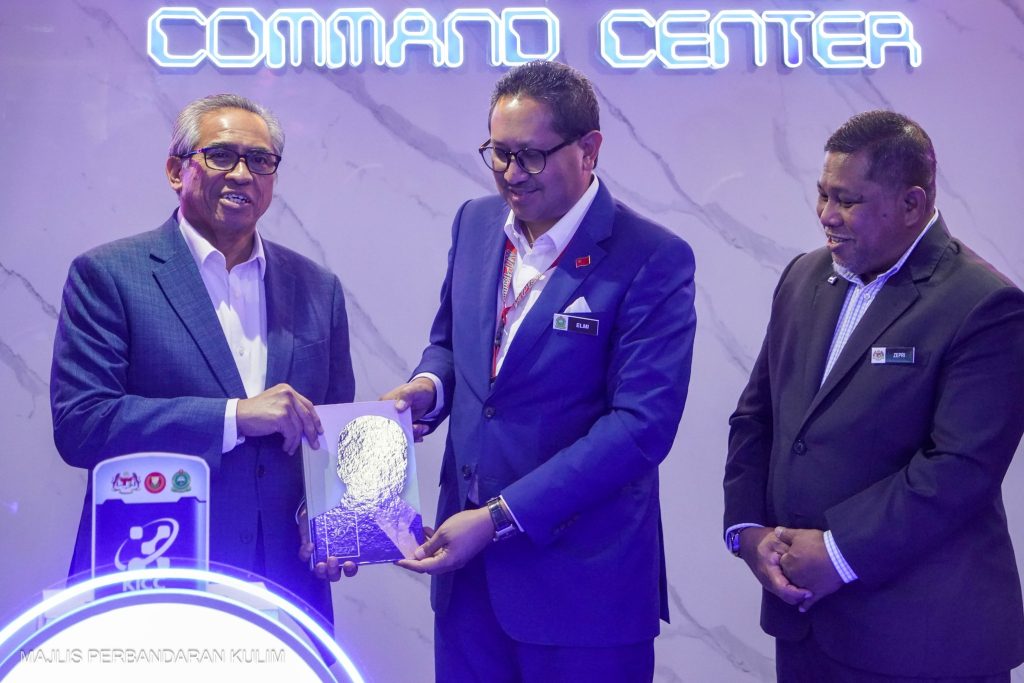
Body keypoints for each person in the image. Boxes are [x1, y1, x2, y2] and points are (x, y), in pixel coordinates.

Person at [381, 60, 697, 681]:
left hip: (583, 590)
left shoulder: (651, 258)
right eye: (498, 153)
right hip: (468, 582)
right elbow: (451, 344)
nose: (510, 173)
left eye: (530, 156)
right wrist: (428, 389)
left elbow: (641, 428)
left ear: (589, 149)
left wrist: (498, 518)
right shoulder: (476, 224)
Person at [723, 110, 1024, 681]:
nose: (826, 215)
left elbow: (960, 468)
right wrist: (749, 531)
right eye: (823, 194)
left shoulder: (986, 304)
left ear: (912, 204)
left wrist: (838, 551)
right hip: (805, 623)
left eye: (848, 200)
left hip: (925, 640)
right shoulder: (803, 276)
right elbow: (757, 416)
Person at [50, 93, 354, 623]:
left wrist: (331, 518)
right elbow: (83, 424)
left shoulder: (317, 287)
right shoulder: (110, 275)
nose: (242, 174)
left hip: (286, 587)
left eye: (260, 160)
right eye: (221, 156)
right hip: (151, 573)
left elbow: (332, 433)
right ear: (177, 170)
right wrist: (234, 416)